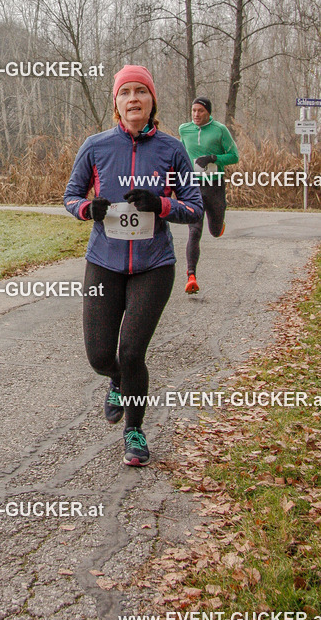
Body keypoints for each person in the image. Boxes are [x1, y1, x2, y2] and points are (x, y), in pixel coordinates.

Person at [64, 66, 203, 467]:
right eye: (125, 92)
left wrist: (161, 204)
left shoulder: (172, 150)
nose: (134, 99)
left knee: (132, 351)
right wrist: (88, 208)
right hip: (104, 262)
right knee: (99, 356)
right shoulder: (96, 146)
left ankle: (135, 431)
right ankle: (117, 383)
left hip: (153, 265)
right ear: (117, 104)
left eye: (141, 91)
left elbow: (193, 207)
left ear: (152, 100)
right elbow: (71, 196)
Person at [179, 97, 239, 294]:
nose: (196, 114)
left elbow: (234, 156)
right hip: (193, 186)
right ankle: (191, 276)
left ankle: (220, 218)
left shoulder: (220, 130)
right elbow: (181, 155)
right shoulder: (184, 130)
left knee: (213, 231)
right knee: (194, 231)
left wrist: (213, 157)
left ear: (209, 113)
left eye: (200, 111)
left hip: (214, 185)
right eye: (194, 110)